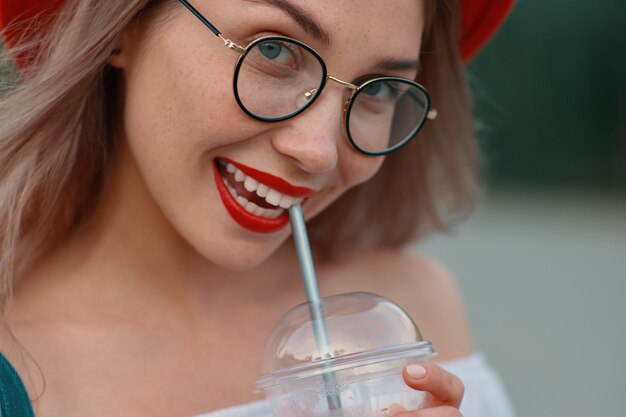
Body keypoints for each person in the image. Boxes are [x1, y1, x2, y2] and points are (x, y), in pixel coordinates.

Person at [0, 0, 516, 416]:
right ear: (124, 23)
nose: (319, 150)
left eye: (376, 88)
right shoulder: (18, 368)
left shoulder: (412, 315)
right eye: (275, 50)